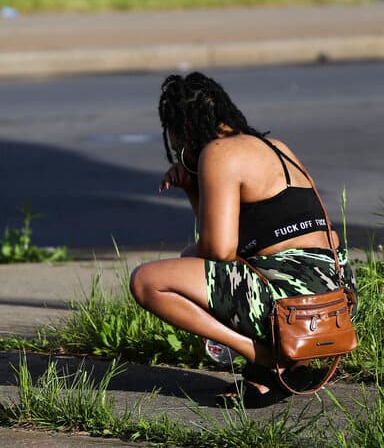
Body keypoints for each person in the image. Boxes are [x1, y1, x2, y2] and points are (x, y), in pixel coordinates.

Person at [129, 72, 357, 402]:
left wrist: (194, 176)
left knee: (147, 281)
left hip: (293, 304)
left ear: (184, 128)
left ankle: (261, 357)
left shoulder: (219, 154)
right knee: (189, 257)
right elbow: (220, 247)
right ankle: (271, 369)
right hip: (334, 298)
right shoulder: (275, 147)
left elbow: (219, 251)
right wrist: (194, 188)